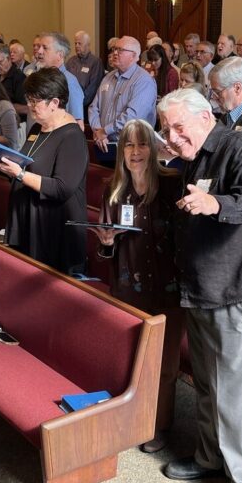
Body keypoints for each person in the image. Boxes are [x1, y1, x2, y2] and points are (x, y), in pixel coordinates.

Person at [157, 87, 242, 483]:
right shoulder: (193, 155)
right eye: (166, 130)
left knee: (238, 395)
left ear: (205, 117)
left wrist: (215, 204)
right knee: (208, 384)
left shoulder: (240, 147)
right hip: (204, 286)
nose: (172, 137)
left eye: (178, 127)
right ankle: (210, 457)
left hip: (239, 287)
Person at [94, 119, 182, 453]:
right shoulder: (114, 188)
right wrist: (106, 243)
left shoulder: (172, 184)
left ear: (154, 148)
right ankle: (130, 419)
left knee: (164, 364)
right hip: (128, 286)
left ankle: (158, 425)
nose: (135, 152)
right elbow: (105, 250)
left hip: (169, 289)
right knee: (132, 359)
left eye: (142, 144)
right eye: (128, 145)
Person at [0, 68, 87, 275]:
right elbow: (26, 164)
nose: (29, 105)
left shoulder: (72, 136)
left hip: (54, 227)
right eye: (29, 99)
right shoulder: (37, 129)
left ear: (55, 102)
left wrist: (20, 174)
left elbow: (62, 188)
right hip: (29, 218)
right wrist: (6, 165)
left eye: (35, 101)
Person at [88, 35, 157, 157]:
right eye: (114, 49)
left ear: (134, 56)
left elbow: (133, 116)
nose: (115, 53)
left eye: (120, 50)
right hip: (104, 144)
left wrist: (105, 131)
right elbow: (94, 107)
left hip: (133, 150)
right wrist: (98, 130)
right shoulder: (108, 77)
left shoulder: (144, 81)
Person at [67, 30, 104, 112]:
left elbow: (93, 88)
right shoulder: (70, 61)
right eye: (75, 43)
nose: (76, 46)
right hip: (69, 105)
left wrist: (78, 104)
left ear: (87, 45)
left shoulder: (95, 62)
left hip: (86, 107)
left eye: (79, 43)